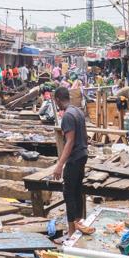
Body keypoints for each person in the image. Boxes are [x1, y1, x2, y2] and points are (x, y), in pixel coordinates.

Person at [50, 86, 92, 236]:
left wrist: (59, 165)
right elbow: (85, 136)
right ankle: (79, 224)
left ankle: (71, 231)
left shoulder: (68, 116)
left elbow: (69, 141)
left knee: (69, 193)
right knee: (77, 190)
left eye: (56, 102)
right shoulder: (78, 111)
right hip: (83, 154)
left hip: (74, 157)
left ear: (58, 100)